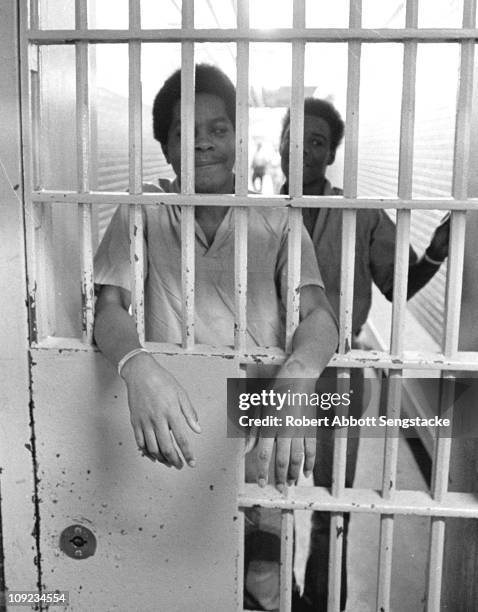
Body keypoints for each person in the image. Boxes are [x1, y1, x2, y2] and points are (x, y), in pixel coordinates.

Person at [93, 65, 339, 611]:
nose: (204, 141)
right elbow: (109, 308)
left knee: (261, 580)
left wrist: (299, 377)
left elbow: (317, 311)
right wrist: (137, 363)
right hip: (172, 430)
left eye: (219, 128)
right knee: (171, 581)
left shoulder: (275, 220)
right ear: (167, 145)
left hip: (258, 422)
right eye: (186, 131)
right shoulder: (141, 214)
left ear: (238, 138)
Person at [279, 97, 450, 611]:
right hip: (271, 372)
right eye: (298, 137)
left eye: (319, 142)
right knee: (266, 496)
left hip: (339, 373)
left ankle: (320, 599)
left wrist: (440, 249)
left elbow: (401, 284)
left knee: (334, 502)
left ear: (331, 156)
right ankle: (269, 595)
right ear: (279, 143)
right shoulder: (253, 212)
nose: (306, 150)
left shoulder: (360, 215)